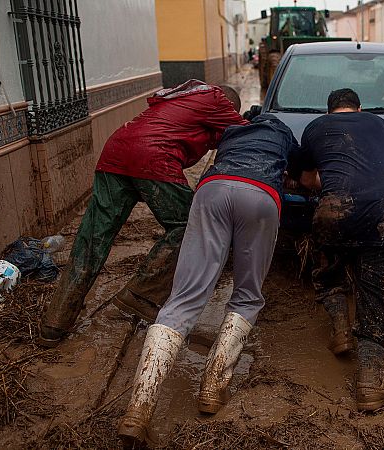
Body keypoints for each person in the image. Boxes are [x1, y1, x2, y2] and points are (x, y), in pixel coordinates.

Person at [117, 114, 299, 445]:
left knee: (184, 297)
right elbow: (302, 175)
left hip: (212, 190)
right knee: (247, 295)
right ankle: (213, 388)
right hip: (260, 196)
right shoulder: (284, 132)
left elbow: (211, 161)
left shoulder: (232, 133)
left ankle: (137, 410)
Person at [37, 80, 249, 348]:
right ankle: (140, 294)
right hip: (153, 156)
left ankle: (54, 324)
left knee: (92, 240)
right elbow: (247, 133)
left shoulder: (181, 100)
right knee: (191, 225)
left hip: (115, 152)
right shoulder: (217, 98)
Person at [297, 88, 384, 412]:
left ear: (329, 110)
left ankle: (340, 331)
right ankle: (369, 384)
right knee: (375, 295)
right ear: (359, 108)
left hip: (334, 212)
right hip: (383, 216)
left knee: (328, 271)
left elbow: (305, 181)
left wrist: (331, 180)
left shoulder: (314, 127)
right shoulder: (378, 122)